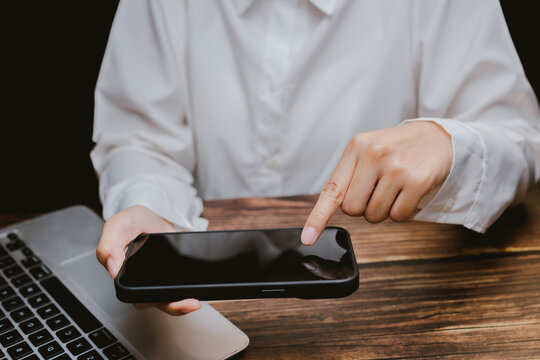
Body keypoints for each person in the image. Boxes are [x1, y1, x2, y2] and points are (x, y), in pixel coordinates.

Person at [91, 0, 540, 316]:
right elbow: (139, 139)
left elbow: (522, 143)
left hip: (382, 309)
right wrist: (148, 206)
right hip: (205, 306)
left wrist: (450, 143)